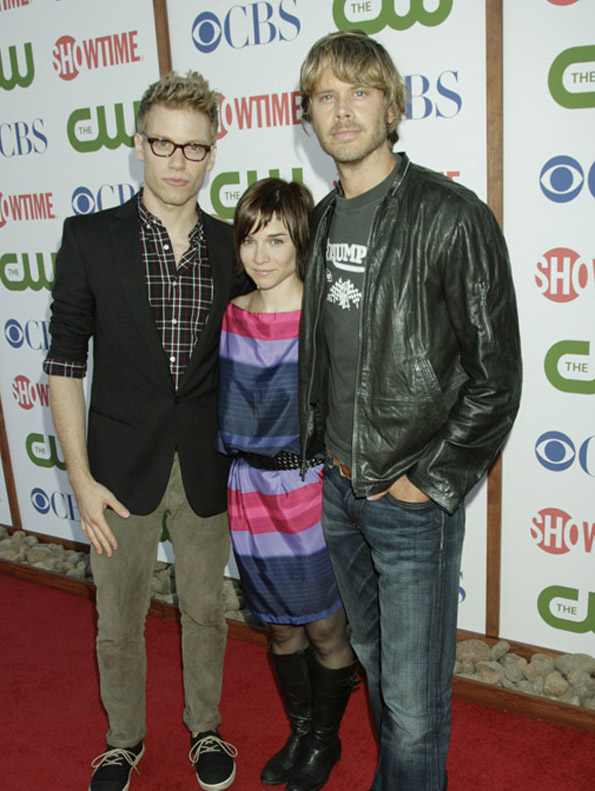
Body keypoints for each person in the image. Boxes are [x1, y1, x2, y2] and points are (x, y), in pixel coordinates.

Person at [297, 31, 522, 791]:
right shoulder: (323, 219)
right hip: (338, 490)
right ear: (309, 116)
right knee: (378, 666)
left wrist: (427, 480)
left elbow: (497, 374)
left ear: (391, 105)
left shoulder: (451, 216)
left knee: (416, 702)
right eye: (325, 95)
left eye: (360, 90)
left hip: (407, 499)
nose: (343, 109)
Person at [43, 71, 242, 791]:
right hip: (117, 470)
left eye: (193, 147)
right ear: (138, 146)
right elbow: (64, 361)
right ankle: (123, 739)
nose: (177, 160)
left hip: (206, 465)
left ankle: (206, 726)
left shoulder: (235, 248)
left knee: (203, 611)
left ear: (212, 153)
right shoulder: (89, 238)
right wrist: (79, 478)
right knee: (117, 618)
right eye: (163, 143)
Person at [216, 177, 358, 791]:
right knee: (277, 626)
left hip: (309, 491)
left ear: (302, 243)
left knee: (326, 627)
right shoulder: (232, 314)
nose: (262, 255)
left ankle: (325, 742)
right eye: (250, 239)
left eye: (277, 240)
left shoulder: (323, 318)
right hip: (249, 494)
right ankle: (300, 731)